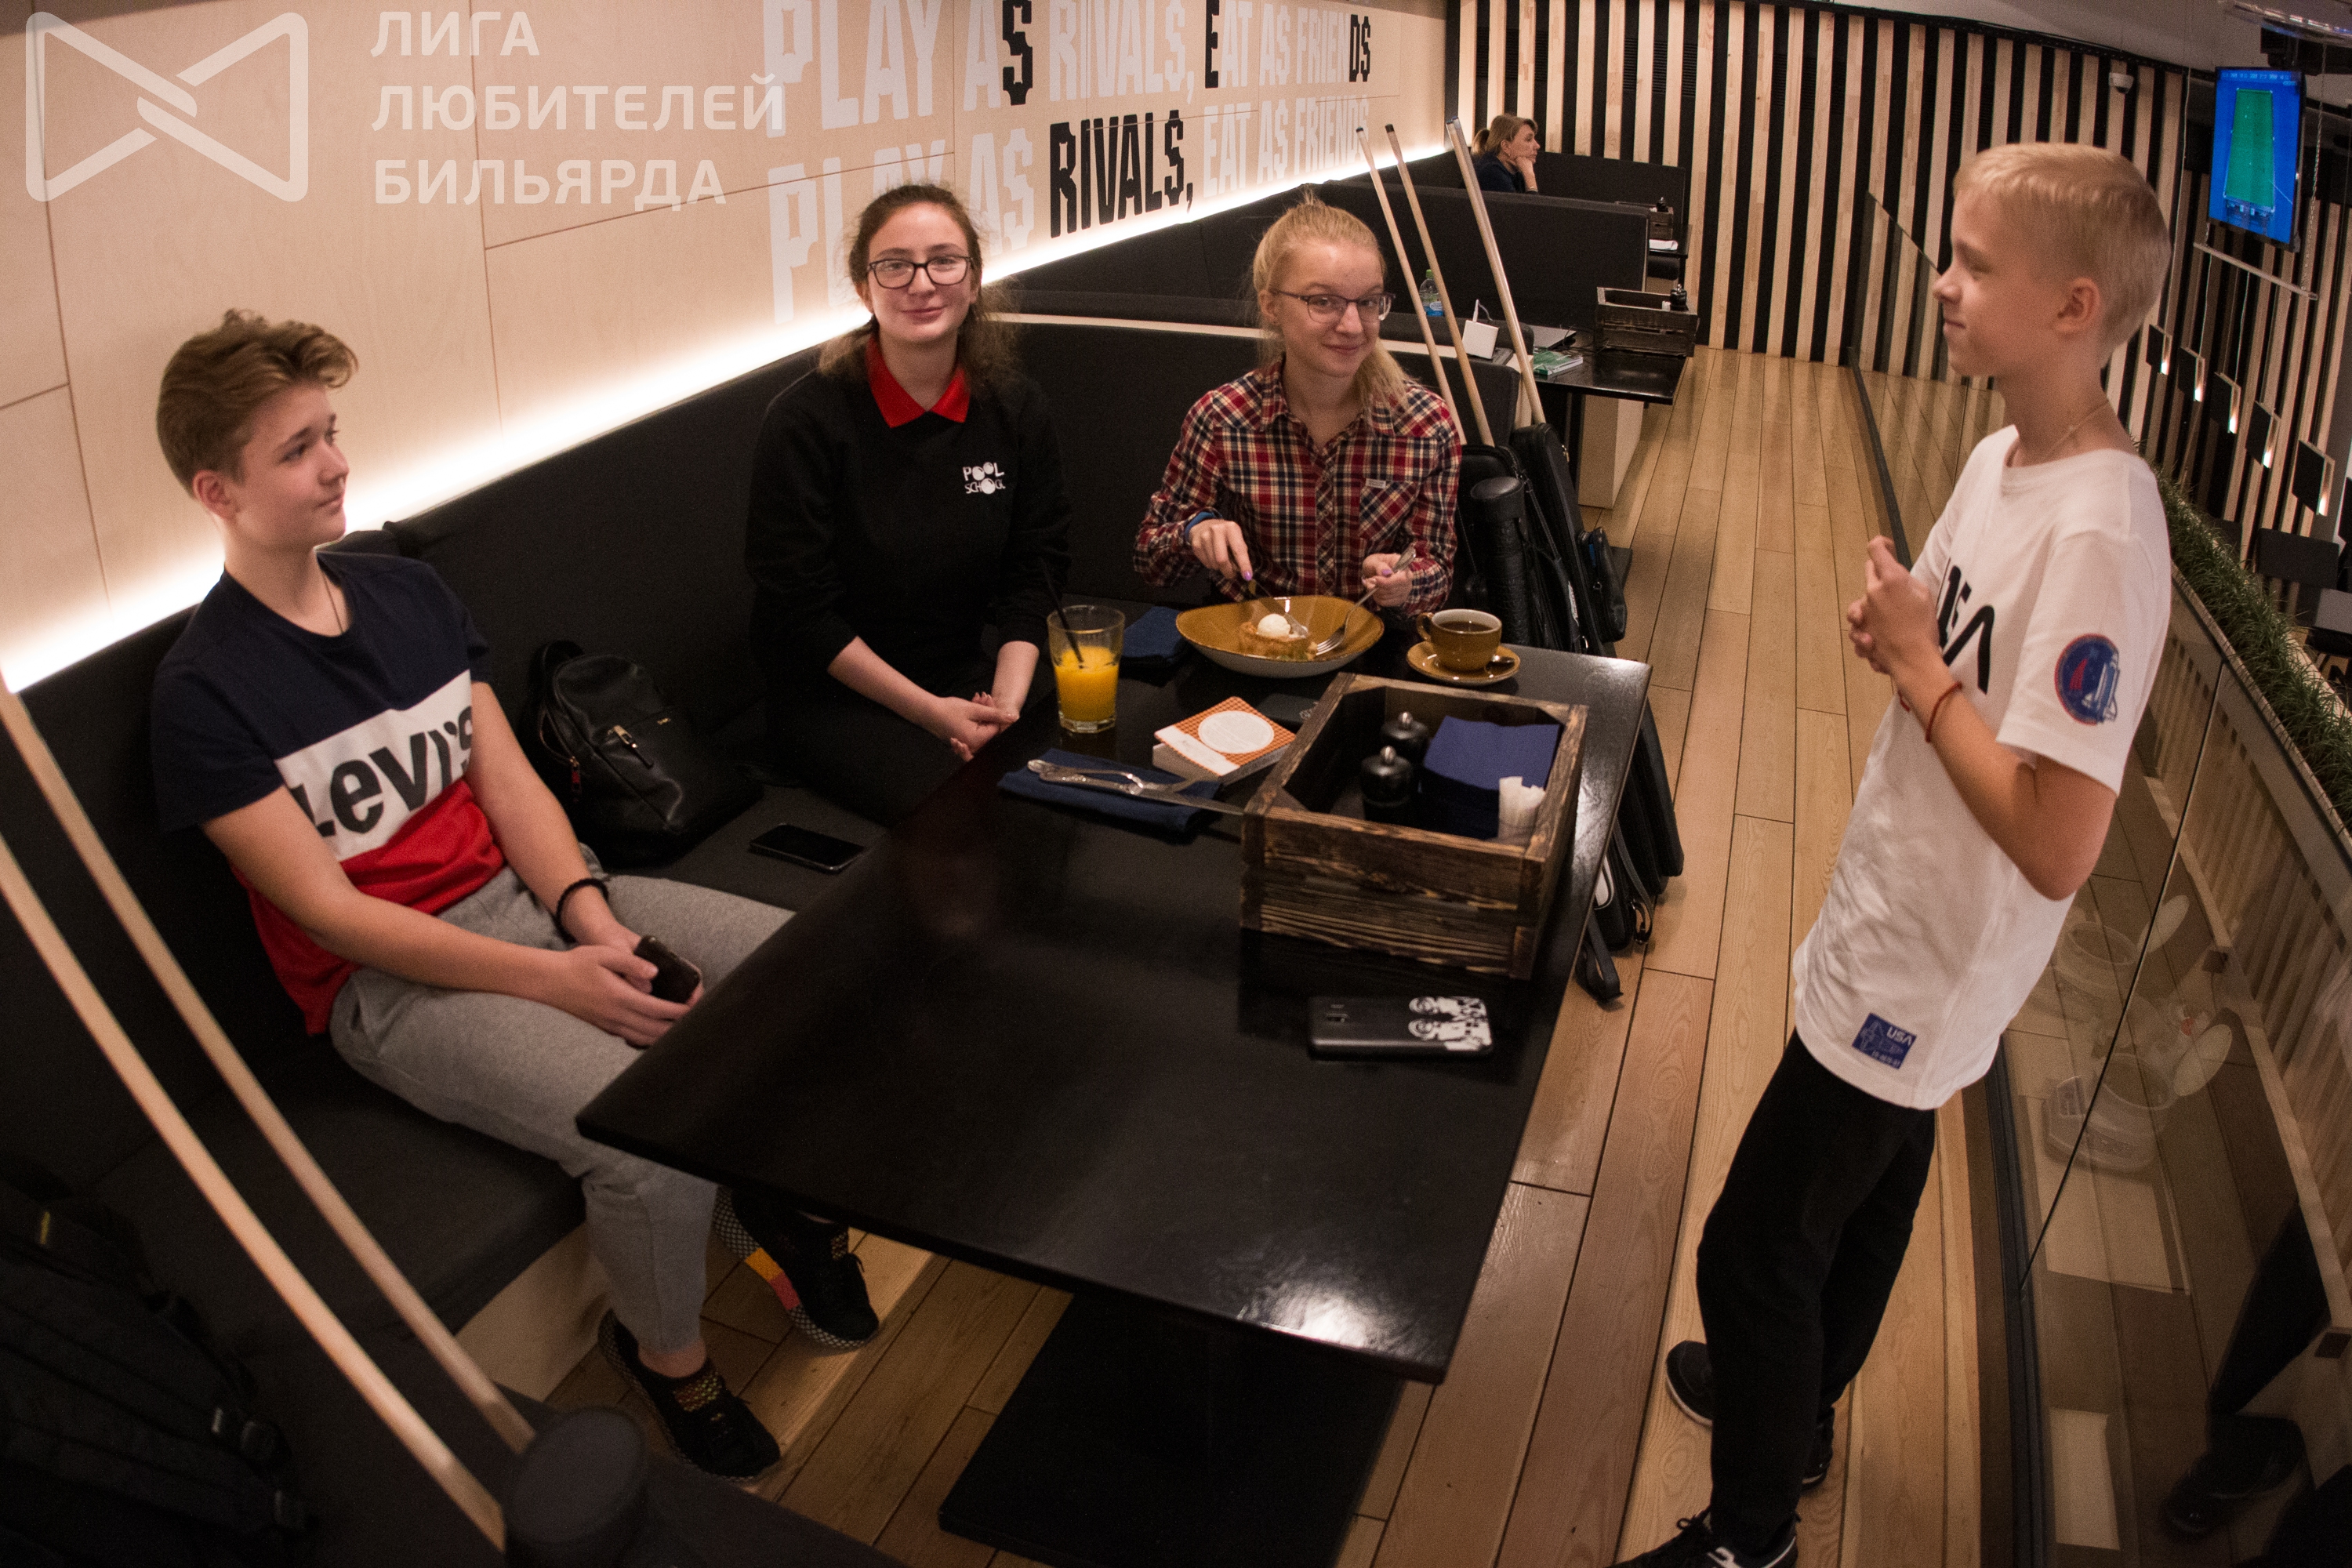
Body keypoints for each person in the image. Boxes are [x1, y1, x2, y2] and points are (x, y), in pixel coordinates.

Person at [147, 311, 877, 1483]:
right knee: (648, 1141)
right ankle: (669, 1357)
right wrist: (559, 979)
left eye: (330, 432)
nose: (336, 464)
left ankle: (779, 1204)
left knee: (809, 970)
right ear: (215, 491)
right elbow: (332, 916)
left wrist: (591, 918)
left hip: (534, 901)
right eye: (296, 450)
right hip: (391, 983)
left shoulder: (406, 594)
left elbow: (510, 782)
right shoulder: (203, 692)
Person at [1613, 143, 2174, 1567]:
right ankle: (1792, 1417)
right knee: (1868, 1193)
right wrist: (1905, 634)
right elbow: (1952, 647)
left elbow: (2059, 841)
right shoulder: (1999, 457)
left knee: (1754, 1247)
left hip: (1930, 958)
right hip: (1899, 907)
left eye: (1976, 264)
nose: (1943, 283)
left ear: (2075, 305)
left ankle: (1750, 1537)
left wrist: (1923, 672)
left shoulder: (2106, 536)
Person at [746, 183, 1072, 826]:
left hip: (966, 670)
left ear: (973, 281)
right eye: (895, 266)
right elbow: (800, 611)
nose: (922, 284)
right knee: (970, 811)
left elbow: (1036, 566)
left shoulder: (1014, 406)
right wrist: (931, 713)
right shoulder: (805, 421)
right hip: (837, 698)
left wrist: (1005, 704)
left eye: (944, 261)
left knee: (1077, 772)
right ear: (864, 288)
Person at [1132, 194, 1460, 619]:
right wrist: (1196, 531)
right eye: (1323, 302)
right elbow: (1151, 562)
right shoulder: (1223, 418)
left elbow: (1438, 569)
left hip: (1370, 638)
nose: (1352, 326)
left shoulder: (1426, 425)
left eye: (1368, 302)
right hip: (1254, 637)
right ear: (1270, 306)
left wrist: (1406, 582)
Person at [1472, 114, 1541, 194]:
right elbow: (1524, 204)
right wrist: (1530, 178)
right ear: (1506, 146)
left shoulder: (1516, 173)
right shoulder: (1490, 172)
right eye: (1528, 140)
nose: (1537, 146)